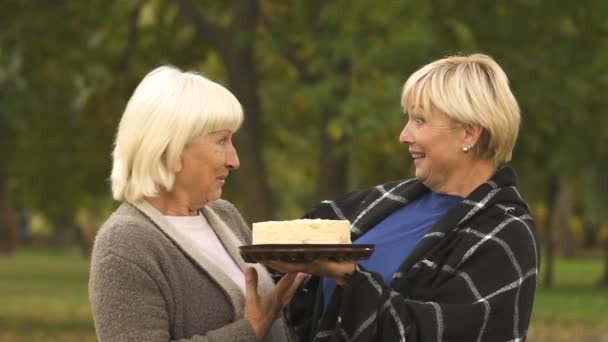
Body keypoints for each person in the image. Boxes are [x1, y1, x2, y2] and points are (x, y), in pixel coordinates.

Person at [267, 54, 539, 341]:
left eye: (419, 120)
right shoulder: (381, 201)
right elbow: (287, 250)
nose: (404, 135)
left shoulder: (505, 235)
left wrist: (352, 279)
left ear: (469, 133)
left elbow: (448, 332)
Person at [89, 65, 305, 342]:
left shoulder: (224, 216)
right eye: (222, 140)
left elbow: (269, 306)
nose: (234, 160)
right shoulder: (124, 244)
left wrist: (314, 271)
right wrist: (248, 331)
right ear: (171, 148)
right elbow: (256, 321)